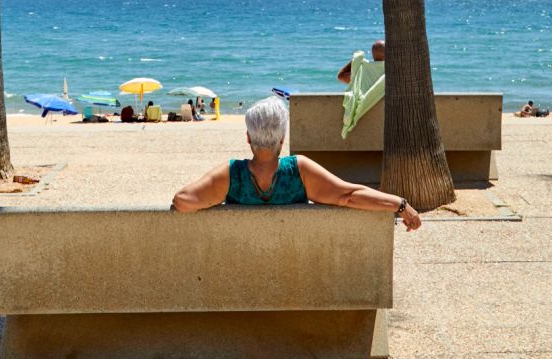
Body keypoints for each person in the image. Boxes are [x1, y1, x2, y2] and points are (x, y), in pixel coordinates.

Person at [172, 96, 421, 229]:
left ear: (248, 137)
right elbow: (349, 195)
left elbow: (183, 201)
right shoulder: (298, 170)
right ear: (282, 139)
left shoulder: (231, 175)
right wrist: (399, 204)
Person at [340, 41, 386, 135]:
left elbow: (341, 76)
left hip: (362, 123)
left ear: (373, 54)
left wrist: (356, 60)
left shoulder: (363, 70)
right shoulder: (396, 71)